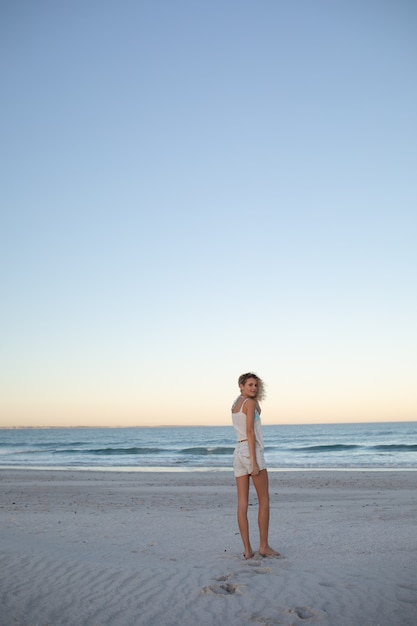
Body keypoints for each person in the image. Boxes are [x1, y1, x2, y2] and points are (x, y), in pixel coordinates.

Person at [231, 372, 281, 559]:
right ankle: (263, 546)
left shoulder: (236, 404)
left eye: (256, 385)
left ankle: (247, 550)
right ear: (242, 386)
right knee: (264, 501)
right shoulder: (250, 404)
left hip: (237, 451)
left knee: (242, 503)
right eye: (250, 385)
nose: (254, 388)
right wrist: (254, 462)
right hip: (251, 451)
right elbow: (250, 431)